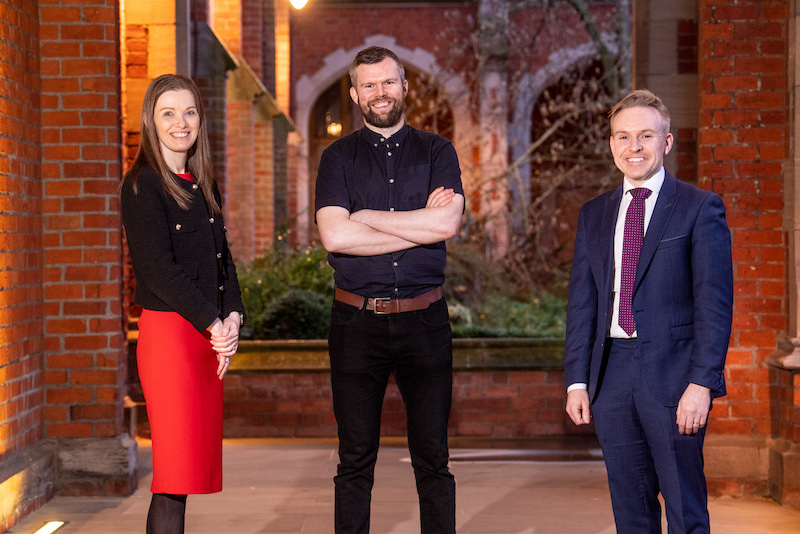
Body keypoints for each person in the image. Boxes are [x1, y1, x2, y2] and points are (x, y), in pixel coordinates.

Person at [564, 89, 733, 533]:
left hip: (674, 376)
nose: (633, 148)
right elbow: (582, 304)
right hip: (611, 377)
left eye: (644, 136)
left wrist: (703, 383)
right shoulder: (594, 214)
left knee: (684, 506)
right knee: (630, 507)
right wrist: (577, 382)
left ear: (667, 142)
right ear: (611, 144)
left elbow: (714, 305)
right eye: (622, 137)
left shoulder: (700, 208)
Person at [315, 46, 464, 534]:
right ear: (356, 94)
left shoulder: (438, 151)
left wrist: (366, 218)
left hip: (426, 320)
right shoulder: (336, 157)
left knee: (433, 459)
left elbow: (447, 223)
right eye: (370, 85)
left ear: (405, 86)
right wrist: (417, 223)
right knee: (354, 460)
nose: (381, 93)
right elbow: (335, 236)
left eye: (389, 82)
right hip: (356, 323)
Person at [120, 74, 245, 534]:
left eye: (189, 111)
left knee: (187, 475)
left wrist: (232, 316)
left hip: (204, 337)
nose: (180, 122)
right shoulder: (142, 185)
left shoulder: (203, 184)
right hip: (171, 339)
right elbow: (157, 270)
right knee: (172, 477)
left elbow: (223, 262)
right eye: (168, 112)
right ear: (151, 122)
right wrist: (215, 323)